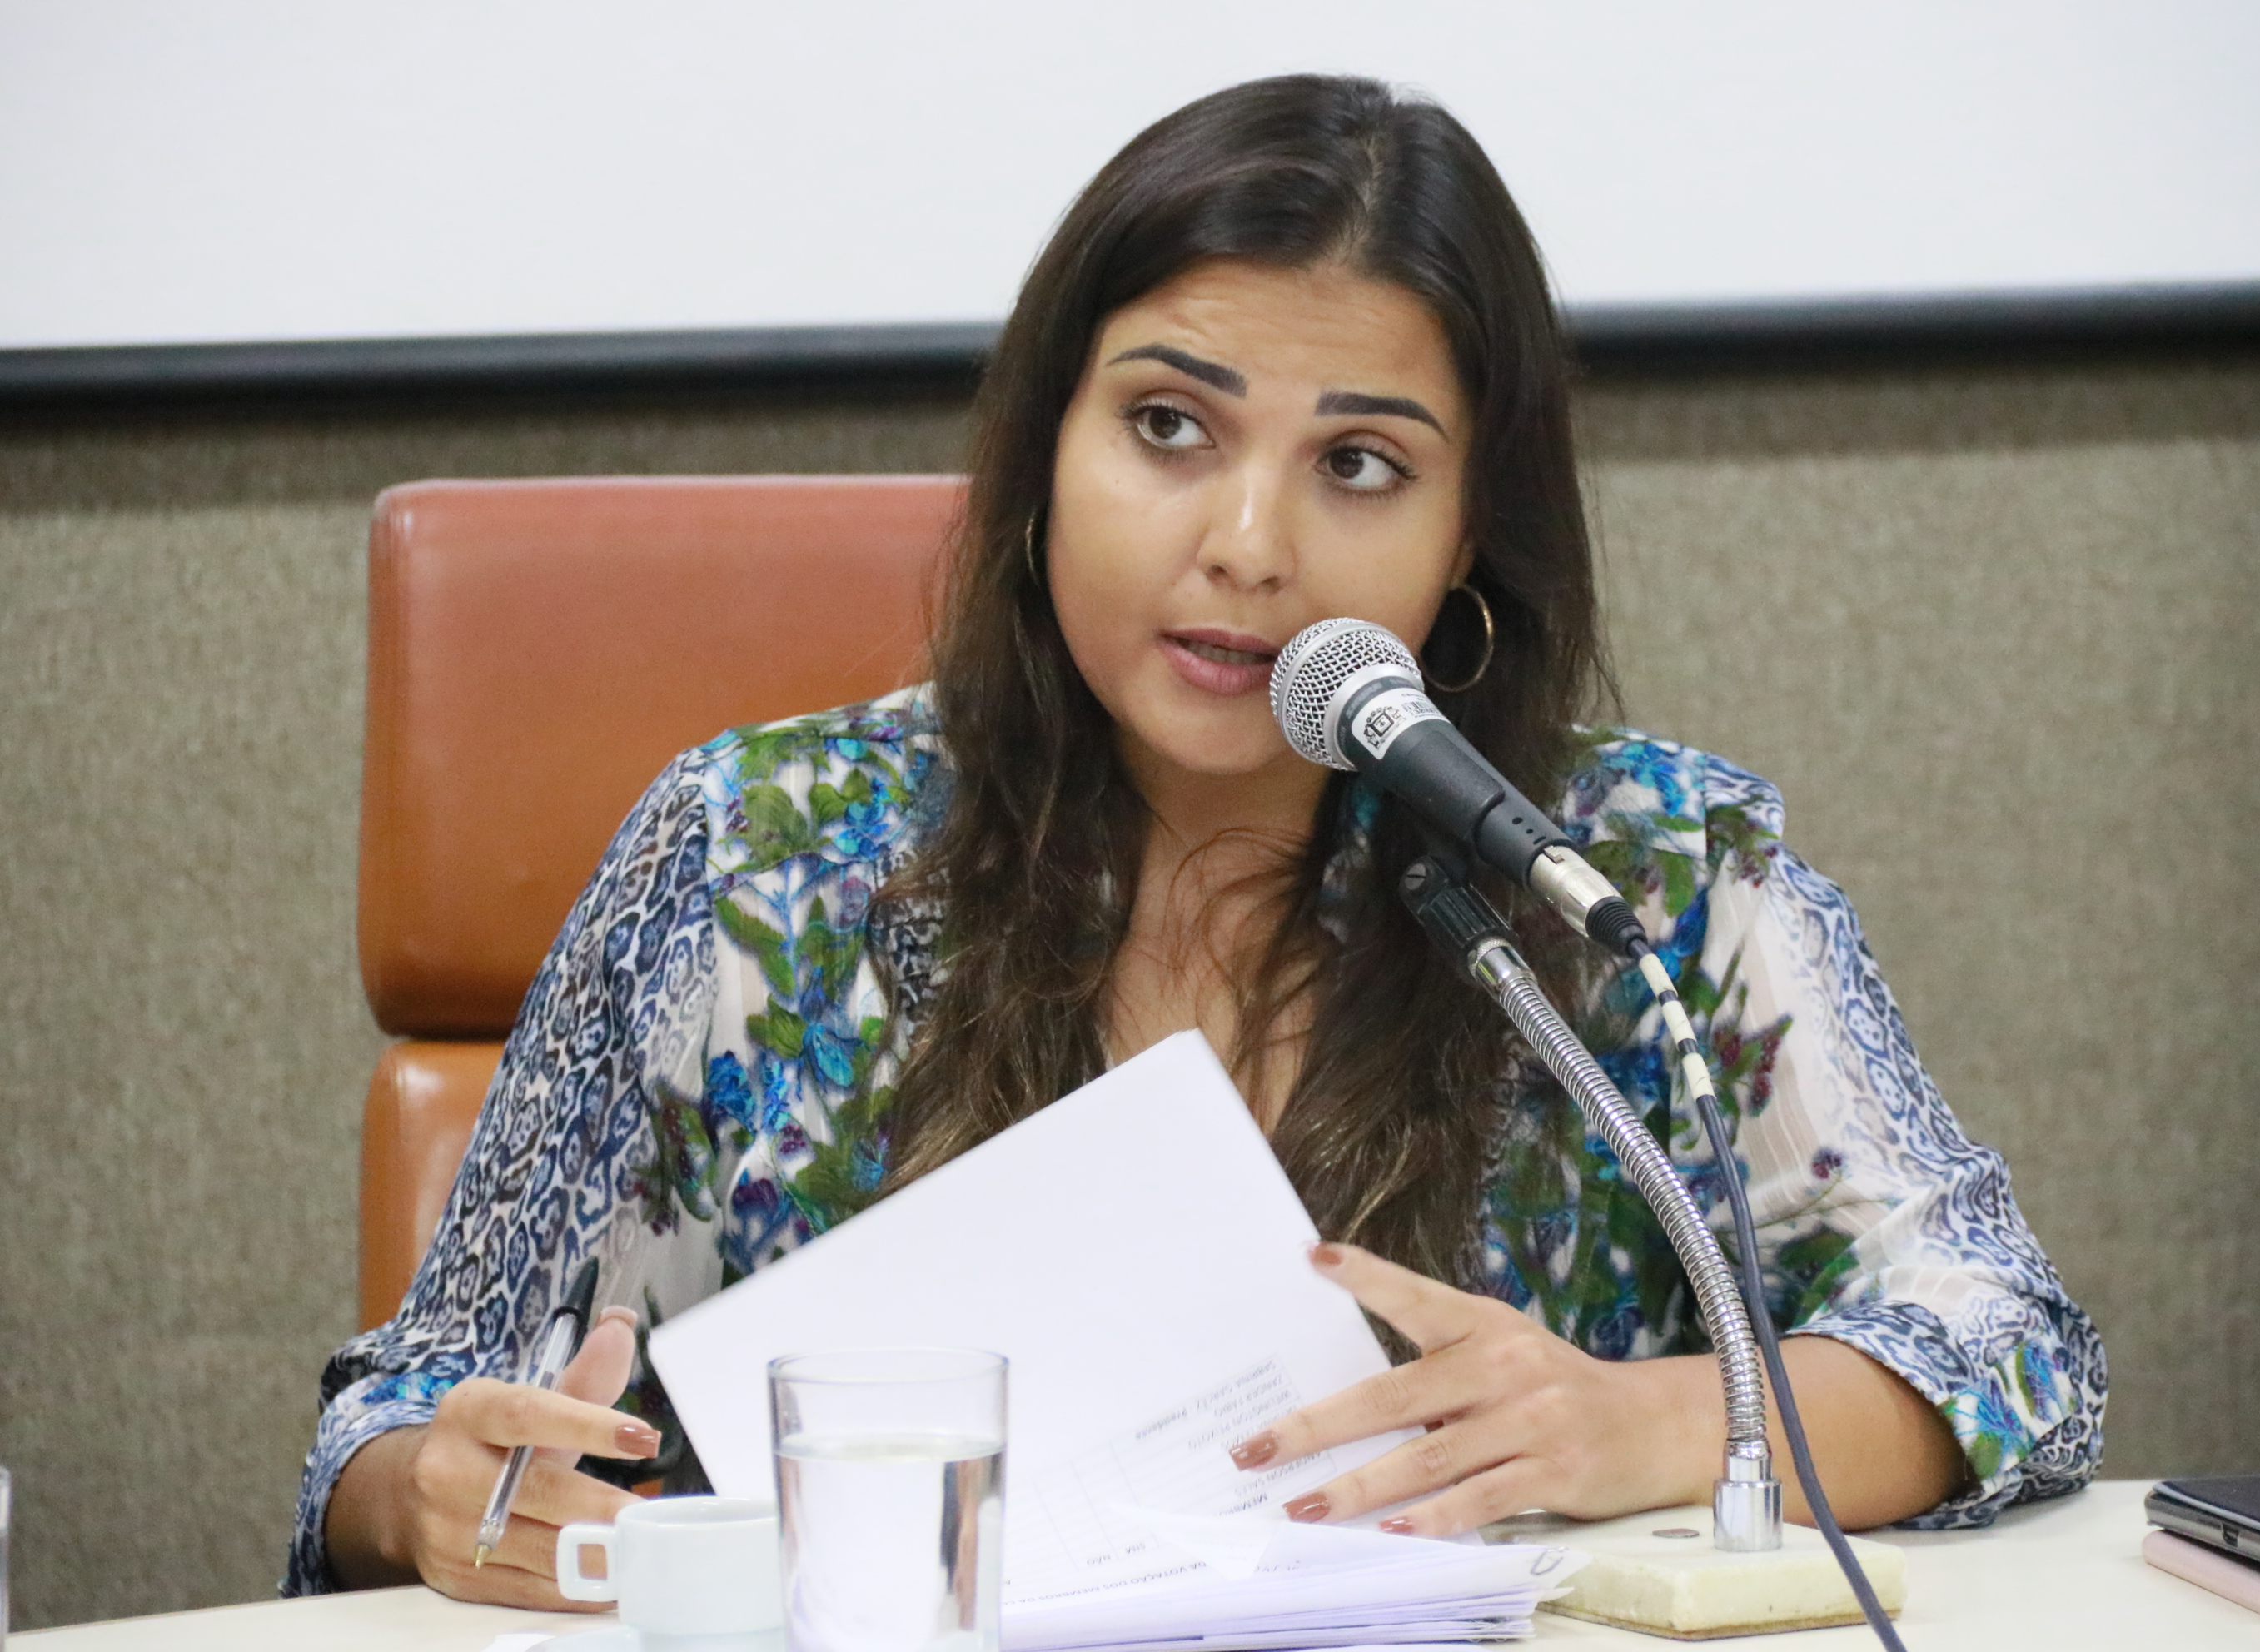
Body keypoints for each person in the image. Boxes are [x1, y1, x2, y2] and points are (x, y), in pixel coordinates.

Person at [290, 74, 2104, 1607]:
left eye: (1360, 464)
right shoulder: (749, 855)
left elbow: (2010, 1339)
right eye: (1169, 427)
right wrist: (438, 1487)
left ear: (1472, 530)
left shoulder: (1638, 873)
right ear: (1042, 451)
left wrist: (1644, 1419)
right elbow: (386, 1422)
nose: (1248, 543)